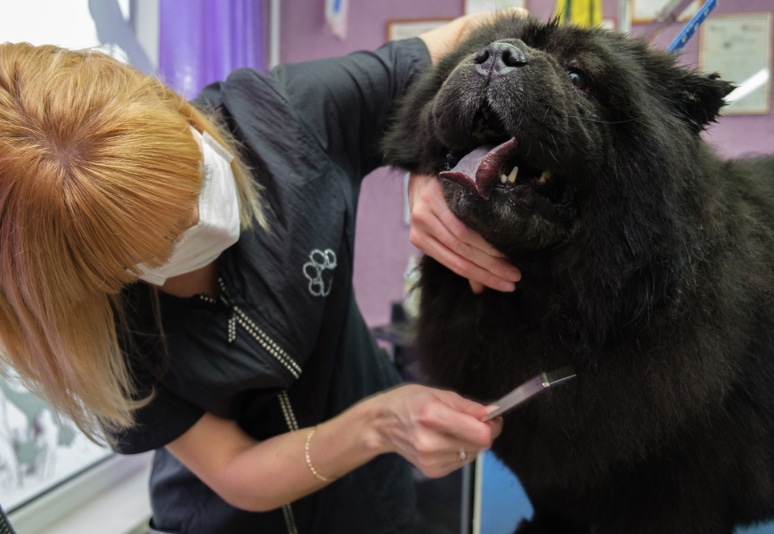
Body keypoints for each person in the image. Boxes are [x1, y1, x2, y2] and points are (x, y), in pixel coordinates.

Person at [0, 9, 522, 534]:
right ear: (106, 277)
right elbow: (233, 468)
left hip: (369, 505)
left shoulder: (283, 118)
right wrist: (378, 423)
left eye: (197, 173)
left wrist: (435, 157)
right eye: (167, 237)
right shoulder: (102, 330)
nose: (202, 215)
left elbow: (505, 22)